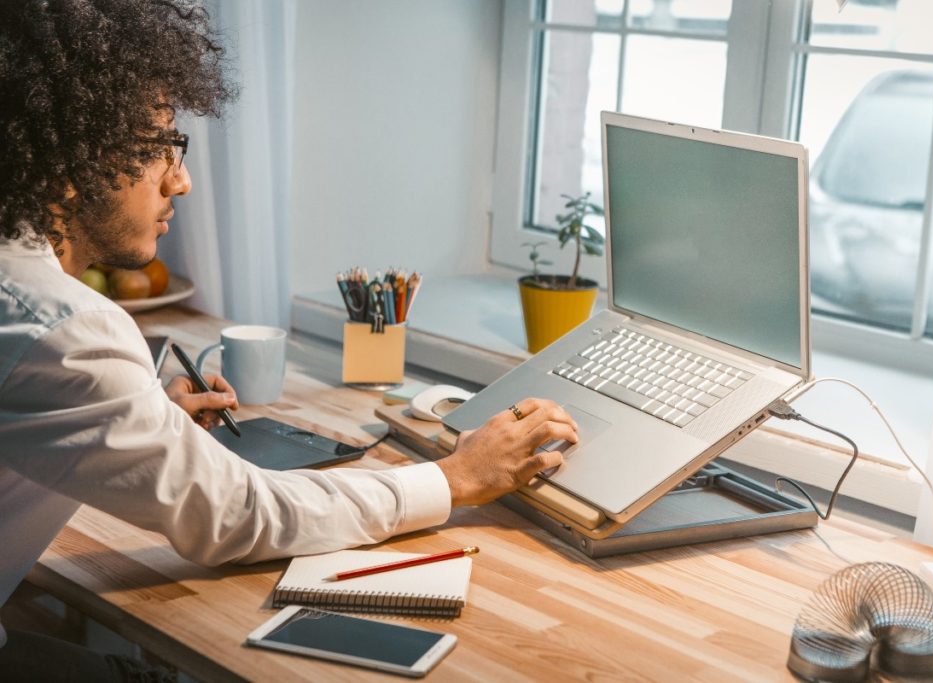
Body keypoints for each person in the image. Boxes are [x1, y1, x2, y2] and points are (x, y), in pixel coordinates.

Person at [0, 0, 578, 679]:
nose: (178, 178)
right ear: (71, 157)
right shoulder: (62, 328)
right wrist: (453, 477)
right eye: (160, 146)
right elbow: (238, 514)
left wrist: (139, 419)